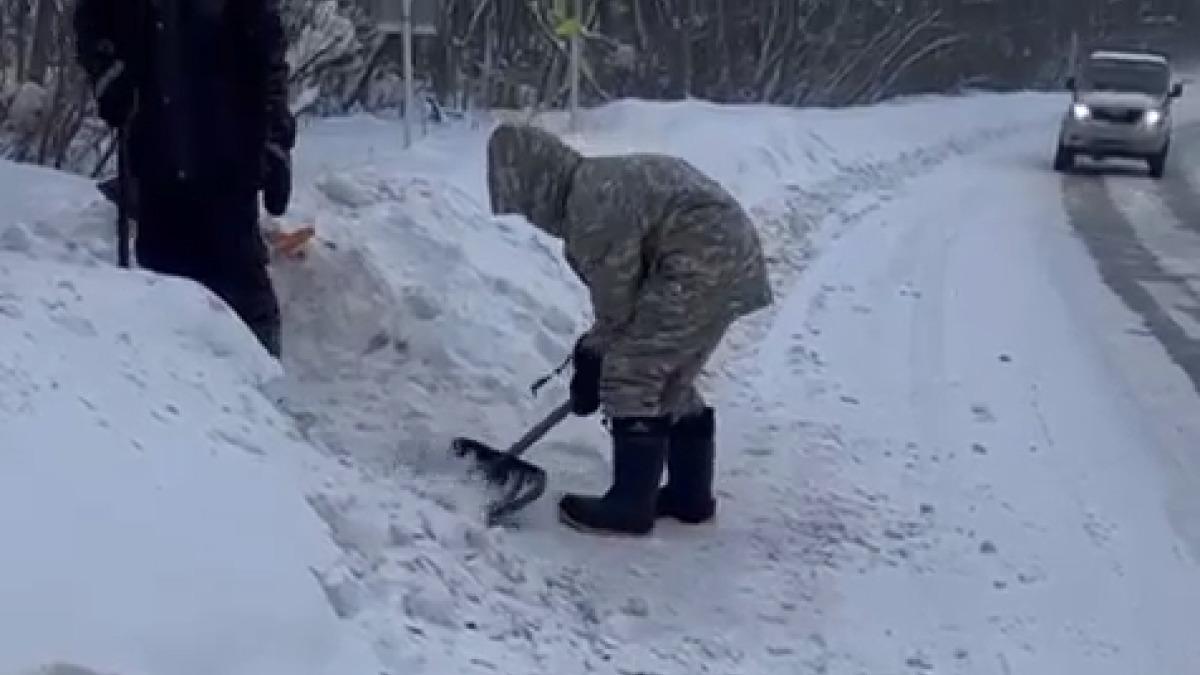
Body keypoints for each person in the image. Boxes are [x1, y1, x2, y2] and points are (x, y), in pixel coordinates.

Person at [486, 123, 773, 536]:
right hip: (727, 259)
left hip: (702, 261)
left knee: (633, 370)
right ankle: (690, 498)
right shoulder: (595, 184)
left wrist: (594, 360)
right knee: (667, 371)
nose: (532, 217)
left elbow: (618, 310)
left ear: (537, 184)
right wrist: (592, 353)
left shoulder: (591, 209)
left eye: (525, 204)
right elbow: (627, 304)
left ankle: (630, 506)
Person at [74, 0, 295, 357]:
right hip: (156, 161)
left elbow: (268, 57)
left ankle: (262, 398)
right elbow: (91, 22)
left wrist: (275, 144)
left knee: (242, 292)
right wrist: (109, 76)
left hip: (228, 162)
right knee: (167, 299)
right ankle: (173, 398)